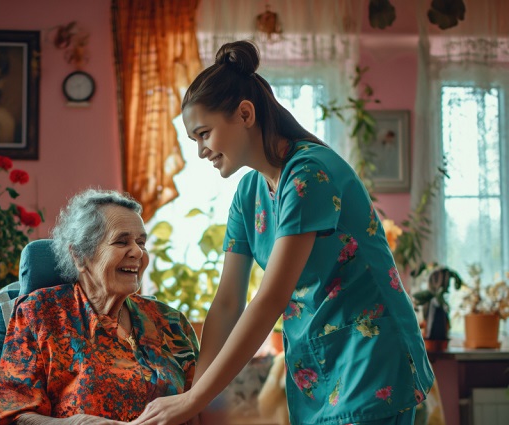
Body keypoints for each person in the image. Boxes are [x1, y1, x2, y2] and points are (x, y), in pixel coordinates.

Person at [132, 41, 434, 425]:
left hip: (370, 361)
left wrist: (193, 401)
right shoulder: (248, 194)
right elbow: (227, 303)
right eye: (194, 140)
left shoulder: (309, 173)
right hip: (316, 367)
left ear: (244, 114)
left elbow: (270, 298)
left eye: (204, 133)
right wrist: (195, 397)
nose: (201, 151)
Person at [0, 189, 200, 425]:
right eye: (122, 241)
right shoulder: (40, 314)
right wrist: (76, 424)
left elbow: (203, 404)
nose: (138, 252)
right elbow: (11, 417)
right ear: (79, 256)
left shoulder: (171, 322)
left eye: (142, 242)